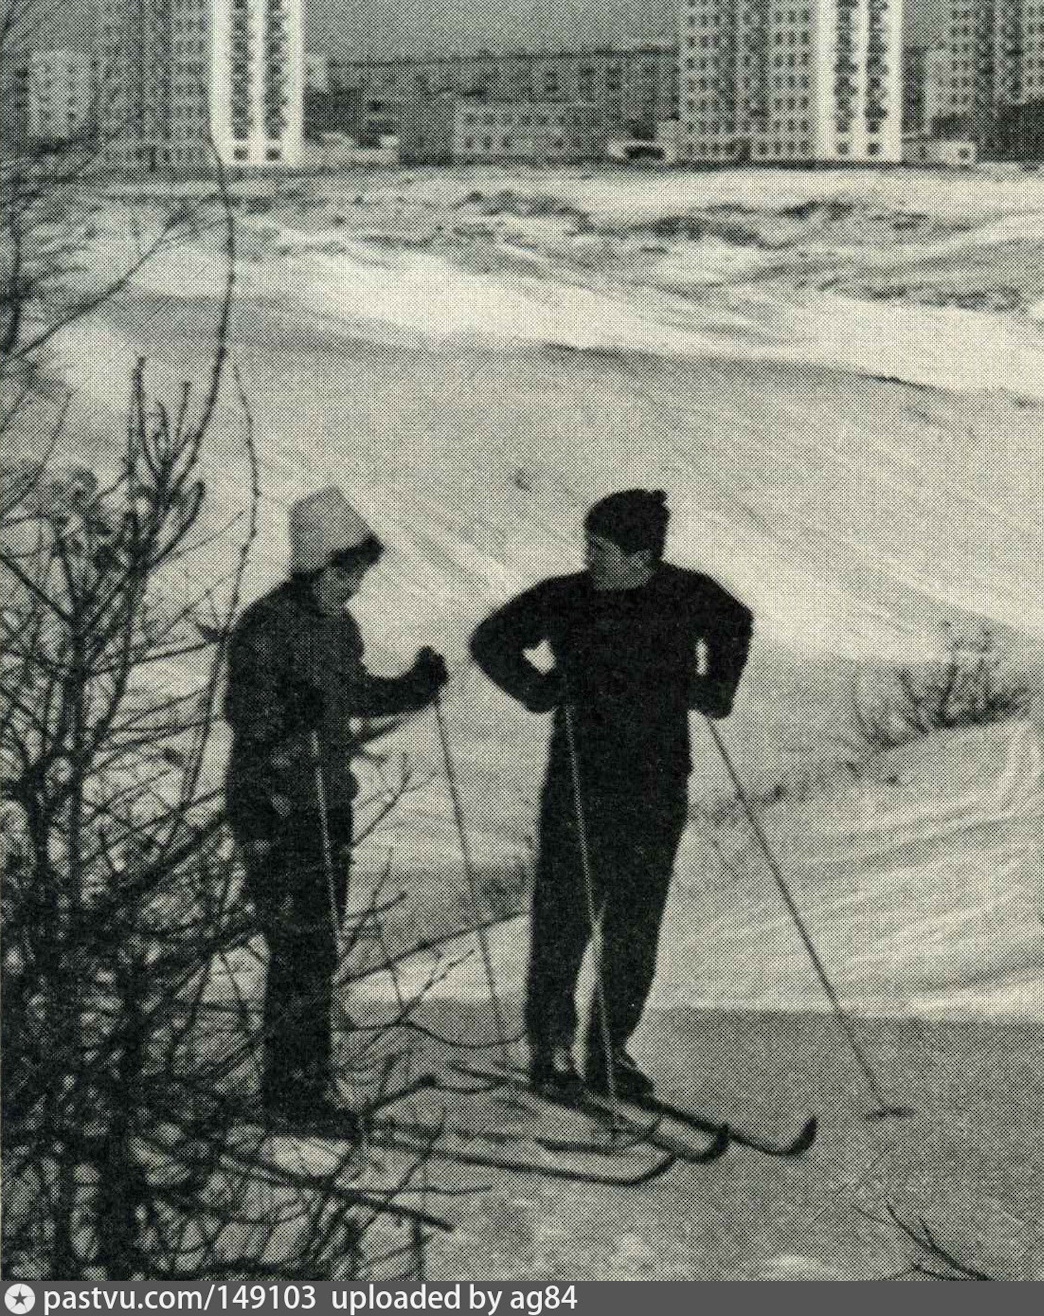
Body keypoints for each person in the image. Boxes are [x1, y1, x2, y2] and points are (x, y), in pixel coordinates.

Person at [470, 489, 752, 1103]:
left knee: (634, 924)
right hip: (581, 781)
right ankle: (551, 1048)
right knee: (564, 918)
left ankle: (608, 1051)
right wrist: (538, 690)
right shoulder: (564, 598)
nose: (589, 557)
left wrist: (716, 687)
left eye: (601, 548)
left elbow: (736, 623)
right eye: (589, 545)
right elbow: (491, 640)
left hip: (657, 783)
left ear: (639, 555)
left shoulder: (687, 594)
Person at [224, 487, 448, 1137]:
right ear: (316, 565)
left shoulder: (337, 628)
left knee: (317, 951)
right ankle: (291, 1092)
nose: (352, 588)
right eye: (345, 574)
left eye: (358, 577)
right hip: (275, 807)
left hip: (328, 808)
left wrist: (413, 685)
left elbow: (354, 693)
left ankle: (302, 1083)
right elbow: (245, 713)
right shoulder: (266, 627)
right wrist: (282, 714)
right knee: (297, 946)